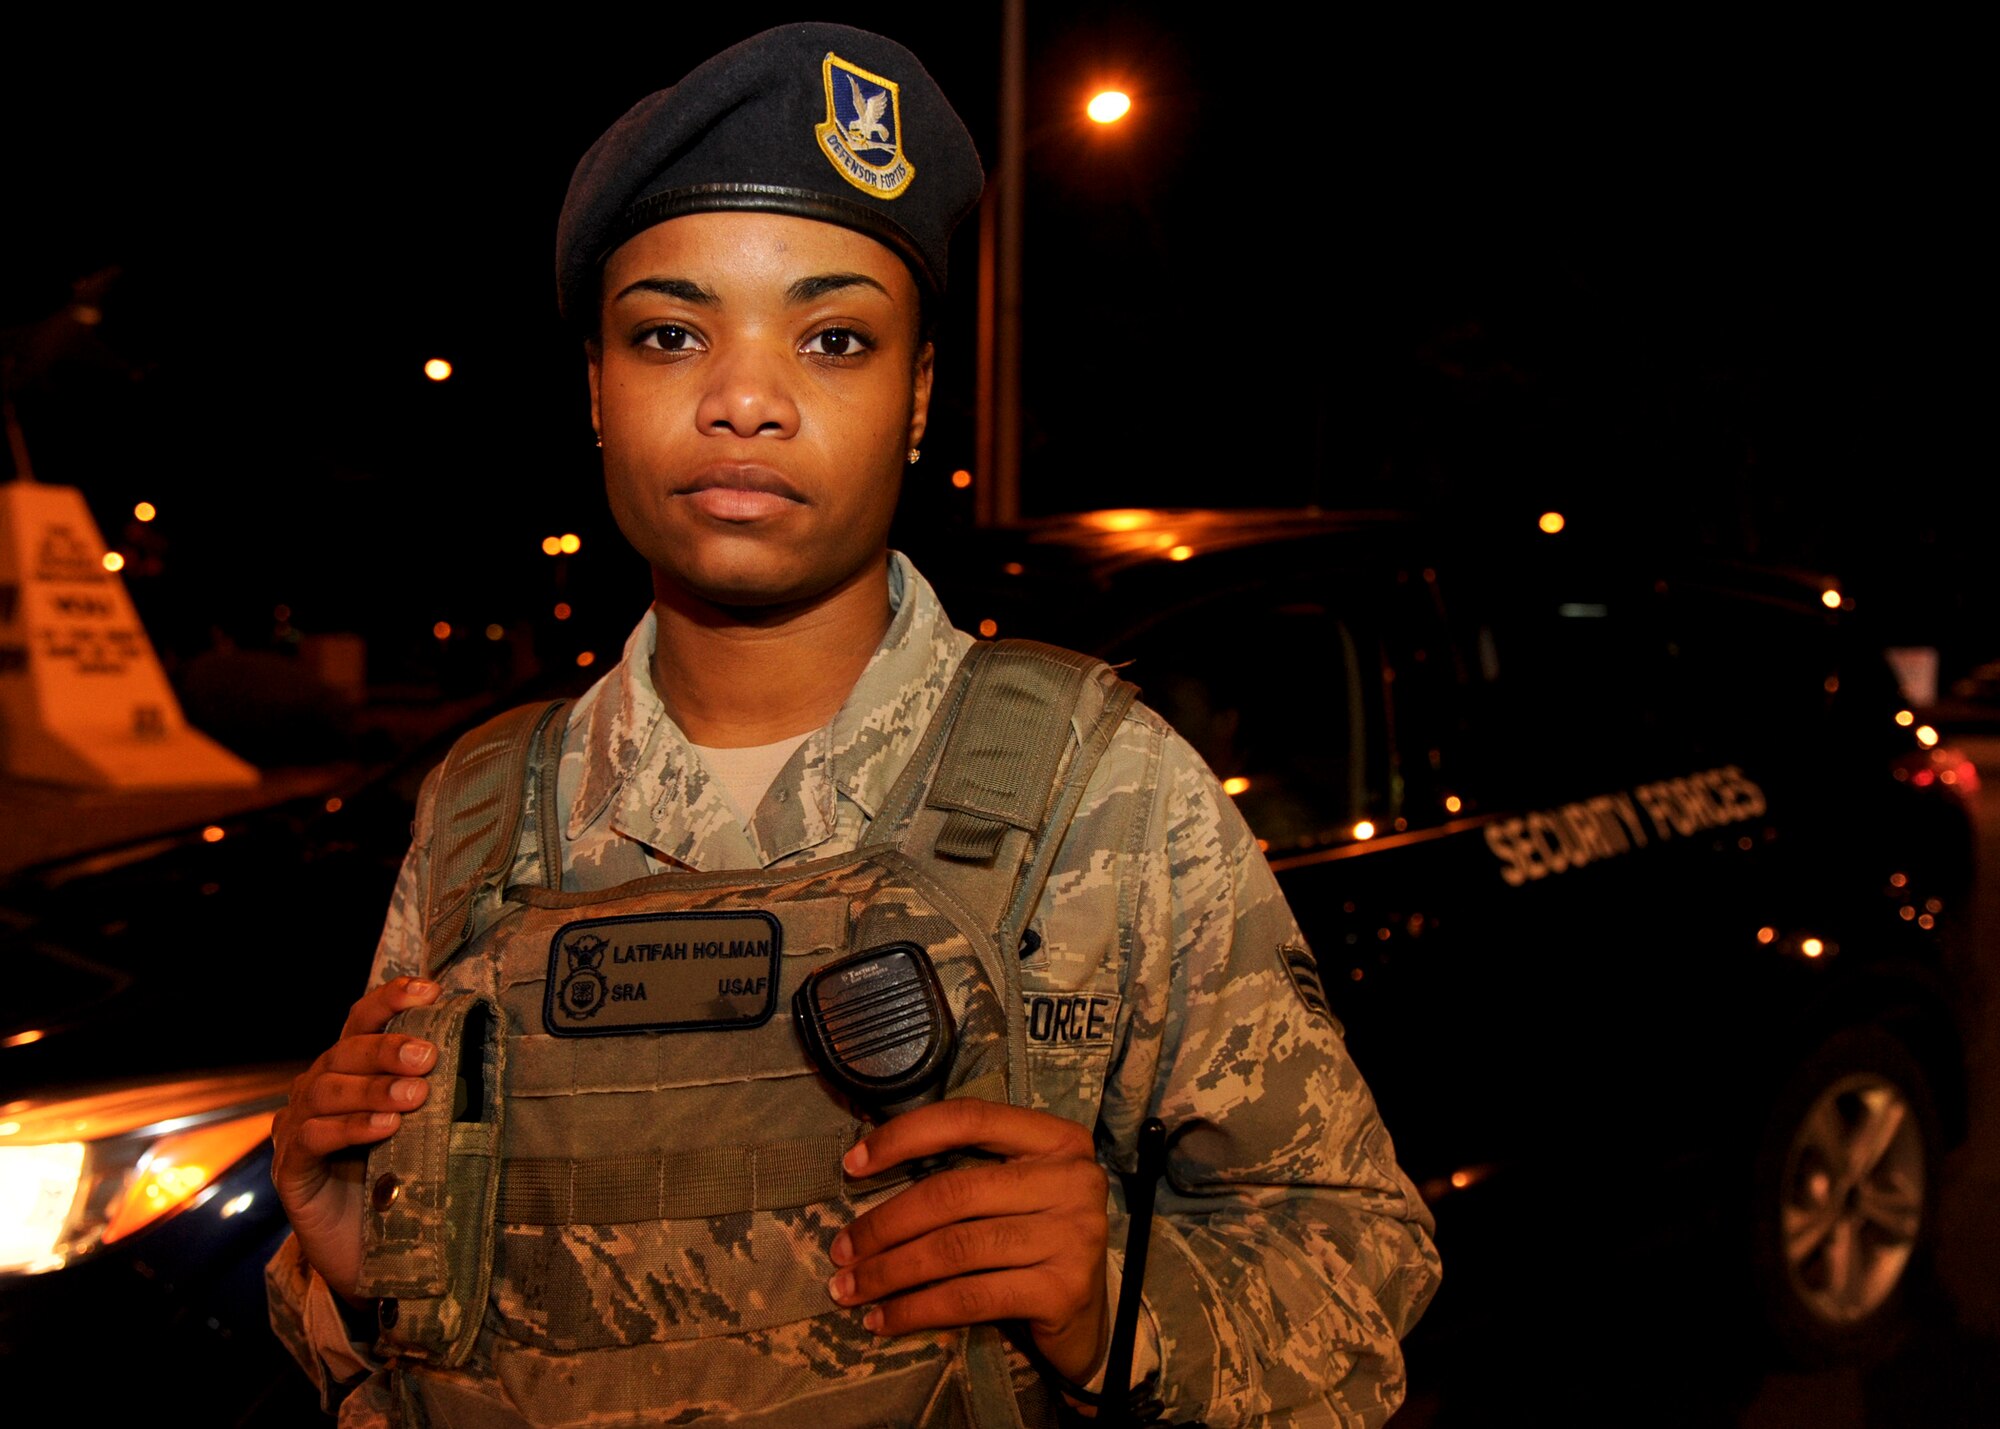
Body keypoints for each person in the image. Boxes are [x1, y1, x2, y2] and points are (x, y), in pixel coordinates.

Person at [266, 23, 1439, 1427]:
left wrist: (1120, 1300)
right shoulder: (479, 821)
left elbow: (1363, 1282)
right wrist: (354, 1275)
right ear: (595, 389)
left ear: (919, 396)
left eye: (833, 338)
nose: (745, 399)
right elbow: (402, 1360)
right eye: (669, 332)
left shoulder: (1099, 793)